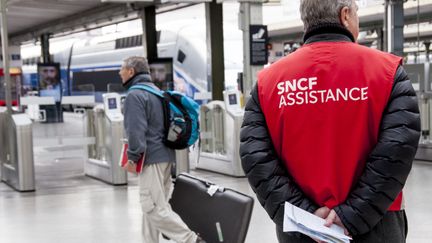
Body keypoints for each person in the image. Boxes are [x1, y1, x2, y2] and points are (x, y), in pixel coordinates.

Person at [239, 0, 420, 242]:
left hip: (302, 230)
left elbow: (255, 156)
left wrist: (305, 214)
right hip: (376, 224)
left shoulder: (267, 82)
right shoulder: (387, 71)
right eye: (356, 12)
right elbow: (397, 151)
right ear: (345, 15)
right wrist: (354, 214)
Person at [119, 56, 206, 243]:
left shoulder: (135, 95)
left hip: (151, 159)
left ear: (131, 71)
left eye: (122, 69)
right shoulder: (155, 92)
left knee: (152, 207)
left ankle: (192, 240)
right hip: (166, 156)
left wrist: (133, 157)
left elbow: (136, 131)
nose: (120, 73)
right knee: (156, 205)